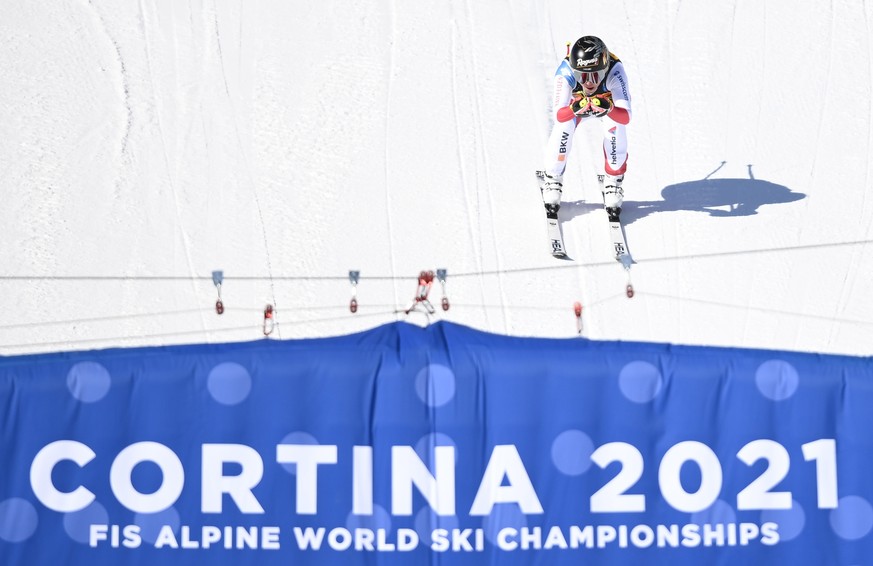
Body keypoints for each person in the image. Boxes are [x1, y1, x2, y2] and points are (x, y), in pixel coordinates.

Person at [539, 36, 632, 220]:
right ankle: (553, 177)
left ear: (605, 68)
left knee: (616, 126)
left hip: (605, 105)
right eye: (581, 75)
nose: (589, 82)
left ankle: (613, 180)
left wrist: (610, 108)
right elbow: (559, 115)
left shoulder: (616, 71)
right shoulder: (564, 73)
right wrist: (575, 107)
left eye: (596, 74)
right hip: (576, 104)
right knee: (563, 126)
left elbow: (626, 116)